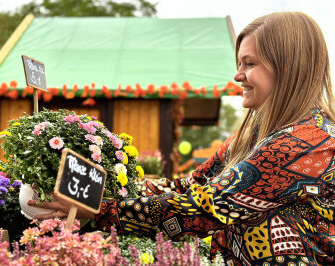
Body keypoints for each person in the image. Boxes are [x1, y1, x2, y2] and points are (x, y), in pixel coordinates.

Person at [28, 11, 335, 265]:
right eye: (239, 63)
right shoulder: (256, 135)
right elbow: (189, 186)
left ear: (288, 67)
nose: (238, 75)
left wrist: (101, 210)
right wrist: (99, 182)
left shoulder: (308, 142)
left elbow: (202, 207)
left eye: (250, 63)